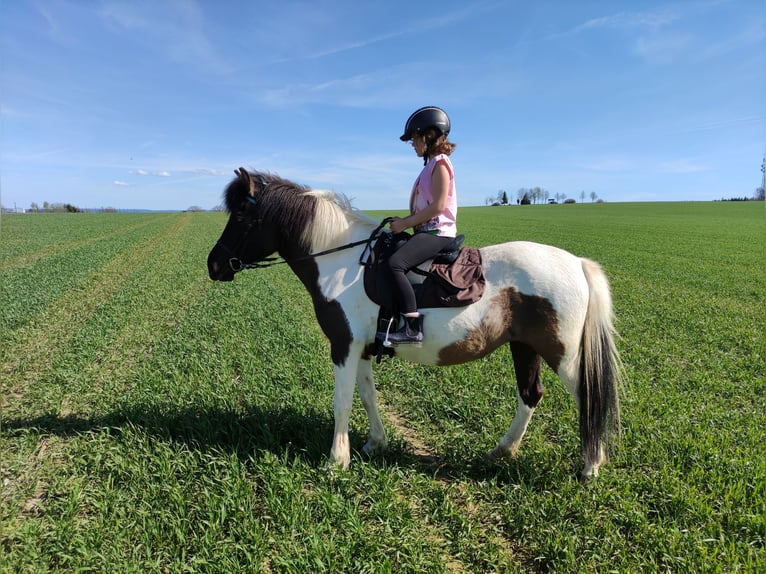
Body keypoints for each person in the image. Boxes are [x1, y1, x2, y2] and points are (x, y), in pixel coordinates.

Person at [384, 106, 458, 345]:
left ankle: (413, 328)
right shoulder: (429, 165)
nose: (413, 144)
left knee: (395, 264)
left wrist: (406, 223)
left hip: (439, 233)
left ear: (429, 135)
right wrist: (404, 223)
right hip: (428, 230)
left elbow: (437, 206)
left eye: (415, 139)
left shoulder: (440, 164)